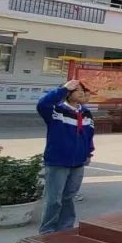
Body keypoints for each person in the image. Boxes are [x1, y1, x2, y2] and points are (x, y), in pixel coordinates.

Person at [37, 80, 95, 234]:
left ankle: (65, 228)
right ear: (68, 94)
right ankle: (47, 230)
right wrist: (62, 89)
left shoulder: (86, 113)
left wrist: (88, 152)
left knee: (69, 197)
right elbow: (42, 104)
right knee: (54, 199)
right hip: (58, 161)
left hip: (78, 162)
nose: (81, 92)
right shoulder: (56, 111)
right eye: (77, 90)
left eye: (83, 89)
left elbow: (88, 135)